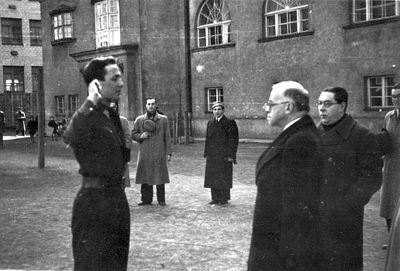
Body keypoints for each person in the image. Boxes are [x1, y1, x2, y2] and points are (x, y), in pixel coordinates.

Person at [63, 56, 130, 270]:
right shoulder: (87, 116)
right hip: (93, 205)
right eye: (115, 78)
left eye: (121, 77)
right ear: (97, 84)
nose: (121, 83)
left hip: (116, 202)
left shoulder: (111, 115)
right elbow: (71, 136)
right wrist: (90, 100)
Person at [248, 81, 323, 271]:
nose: (266, 108)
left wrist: (289, 262)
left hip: (281, 255)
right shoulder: (294, 134)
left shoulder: (301, 141)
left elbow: (298, 210)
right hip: (273, 246)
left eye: (271, 104)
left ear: (288, 107)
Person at [317, 86, 382, 271]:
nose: (321, 108)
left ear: (342, 106)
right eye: (320, 103)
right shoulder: (314, 134)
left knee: (342, 264)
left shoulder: (361, 136)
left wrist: (347, 204)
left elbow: (372, 177)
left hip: (344, 220)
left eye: (328, 104)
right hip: (316, 215)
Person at [132, 97, 172, 206]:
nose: (151, 106)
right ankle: (146, 199)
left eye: (153, 104)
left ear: (156, 105)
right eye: (149, 104)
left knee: (160, 176)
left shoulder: (163, 119)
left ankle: (161, 200)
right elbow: (133, 134)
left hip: (159, 151)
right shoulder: (139, 119)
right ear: (145, 106)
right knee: (145, 176)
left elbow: (167, 137)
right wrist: (141, 136)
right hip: (145, 152)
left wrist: (168, 152)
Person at [204, 102, 239, 205]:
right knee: (213, 176)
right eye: (215, 109)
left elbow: (233, 140)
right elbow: (208, 139)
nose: (217, 111)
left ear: (223, 110)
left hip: (224, 155)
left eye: (219, 109)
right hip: (212, 155)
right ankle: (215, 197)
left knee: (224, 176)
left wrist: (231, 156)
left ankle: (224, 198)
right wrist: (206, 153)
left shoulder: (229, 123)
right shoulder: (210, 123)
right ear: (212, 111)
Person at [380, 82, 400, 234]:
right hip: (390, 167)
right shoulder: (389, 116)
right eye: (393, 96)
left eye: (399, 96)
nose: (396, 99)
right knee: (388, 206)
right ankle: (392, 241)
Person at [111, 102, 132, 189]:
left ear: (116, 108)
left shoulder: (123, 121)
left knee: (121, 176)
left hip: (120, 152)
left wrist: (125, 150)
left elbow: (128, 136)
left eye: (113, 107)